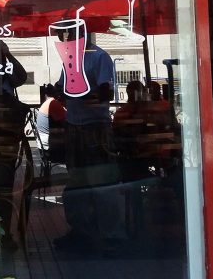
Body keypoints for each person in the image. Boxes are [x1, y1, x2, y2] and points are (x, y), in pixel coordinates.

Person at [53, 29, 125, 256]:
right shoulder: (70, 59)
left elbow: (105, 93)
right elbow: (64, 89)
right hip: (75, 125)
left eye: (66, 36)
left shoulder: (99, 56)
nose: (63, 40)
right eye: (61, 37)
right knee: (77, 182)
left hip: (95, 126)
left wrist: (77, 95)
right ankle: (82, 232)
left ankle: (111, 235)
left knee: (102, 183)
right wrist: (58, 92)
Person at [36, 84, 66, 152]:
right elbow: (66, 121)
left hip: (42, 140)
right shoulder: (53, 103)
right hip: (49, 141)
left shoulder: (47, 102)